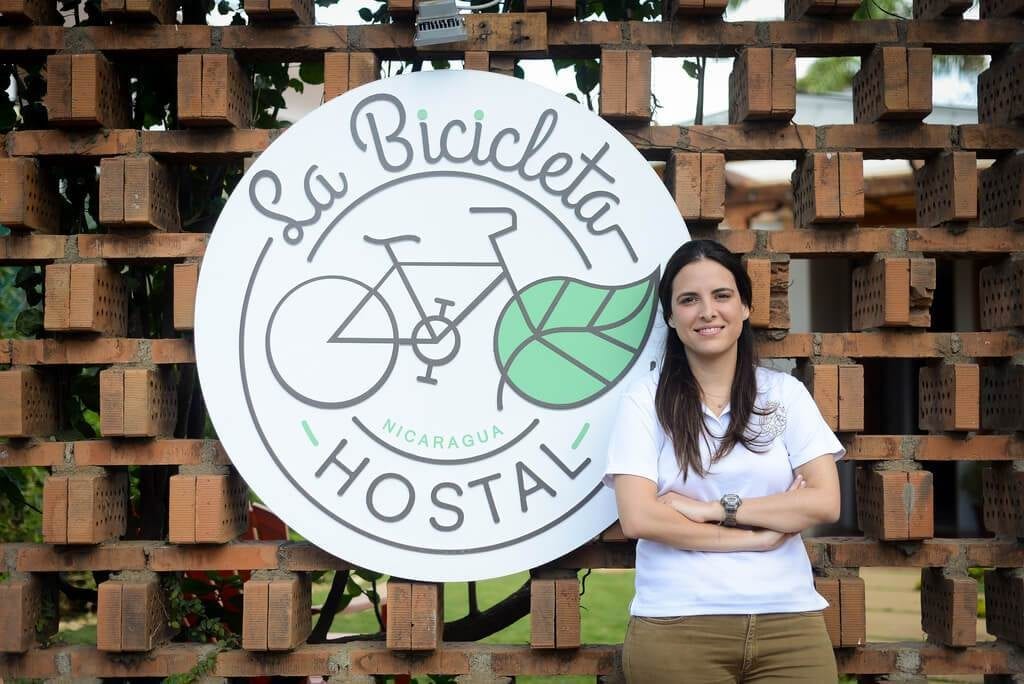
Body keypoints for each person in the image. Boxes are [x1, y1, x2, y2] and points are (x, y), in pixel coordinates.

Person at [604, 238, 844, 683]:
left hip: (788, 621)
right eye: (689, 300)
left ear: (746, 307)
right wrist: (755, 538)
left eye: (722, 295)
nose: (707, 311)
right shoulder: (644, 403)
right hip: (679, 624)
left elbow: (825, 503)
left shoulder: (784, 394)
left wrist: (714, 510)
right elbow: (638, 517)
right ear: (672, 318)